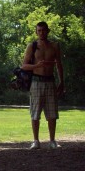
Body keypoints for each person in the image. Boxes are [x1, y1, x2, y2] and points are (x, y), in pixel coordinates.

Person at [21, 21, 64, 149]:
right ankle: (36, 141)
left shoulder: (54, 46)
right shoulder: (32, 46)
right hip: (36, 81)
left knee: (52, 113)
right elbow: (24, 65)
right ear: (36, 32)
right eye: (39, 30)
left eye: (43, 30)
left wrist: (62, 82)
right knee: (35, 113)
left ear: (48, 31)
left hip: (50, 81)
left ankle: (52, 141)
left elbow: (59, 65)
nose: (41, 33)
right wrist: (37, 66)